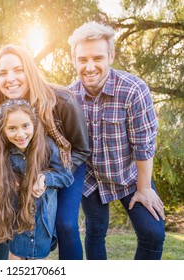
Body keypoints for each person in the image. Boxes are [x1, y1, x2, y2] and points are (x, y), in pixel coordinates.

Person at [68, 21, 165, 259]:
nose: (89, 67)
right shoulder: (69, 97)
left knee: (153, 233)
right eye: (82, 60)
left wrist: (143, 188)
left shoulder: (133, 90)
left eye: (97, 58)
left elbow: (144, 143)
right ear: (74, 61)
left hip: (130, 175)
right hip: (92, 178)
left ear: (111, 56)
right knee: (95, 229)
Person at [0, 44, 90, 259]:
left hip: (68, 162)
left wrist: (47, 176)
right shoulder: (3, 108)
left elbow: (81, 149)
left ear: (30, 70)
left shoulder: (62, 99)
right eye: (2, 73)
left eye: (18, 70)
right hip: (24, 168)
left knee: (65, 222)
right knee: (12, 219)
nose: (10, 78)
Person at [0, 99, 74, 259]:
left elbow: (67, 177)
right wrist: (10, 180)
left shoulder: (46, 146)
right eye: (12, 128)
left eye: (25, 126)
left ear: (34, 124)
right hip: (16, 220)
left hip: (42, 219)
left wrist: (45, 178)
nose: (20, 134)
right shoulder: (3, 153)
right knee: (15, 258)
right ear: (3, 130)